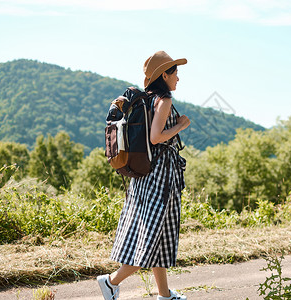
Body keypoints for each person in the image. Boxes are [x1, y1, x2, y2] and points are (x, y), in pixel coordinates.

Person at [97, 50, 191, 300]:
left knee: (156, 236)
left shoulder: (145, 100)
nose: (178, 78)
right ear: (164, 75)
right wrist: (181, 124)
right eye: (175, 73)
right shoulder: (164, 100)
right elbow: (156, 137)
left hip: (144, 176)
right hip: (160, 177)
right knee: (149, 240)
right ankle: (110, 282)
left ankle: (164, 295)